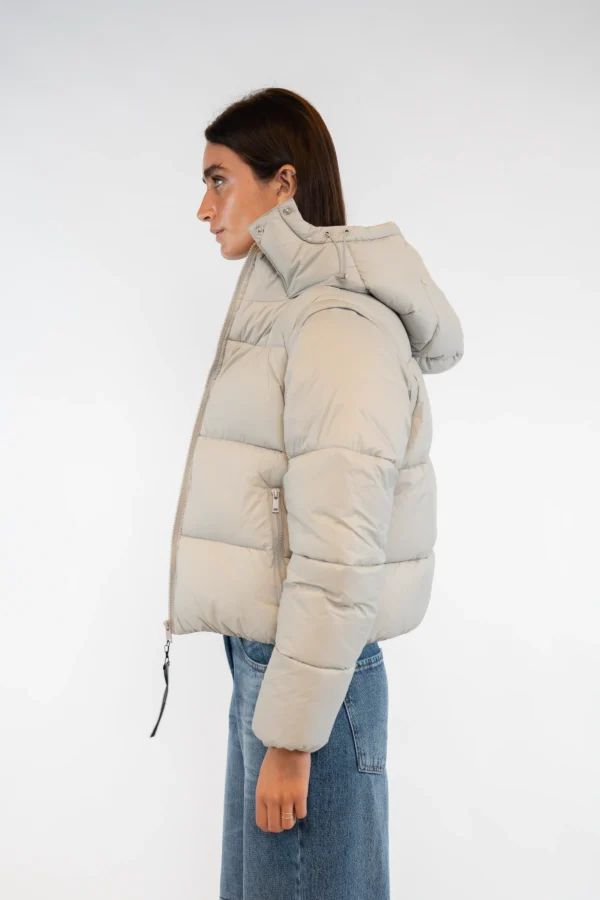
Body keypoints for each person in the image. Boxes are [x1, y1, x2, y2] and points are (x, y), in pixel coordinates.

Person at [151, 87, 464, 900]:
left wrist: (292, 738)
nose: (204, 207)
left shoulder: (336, 326)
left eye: (219, 179)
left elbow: (341, 547)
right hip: (281, 671)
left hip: (311, 688)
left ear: (283, 184)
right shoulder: (292, 314)